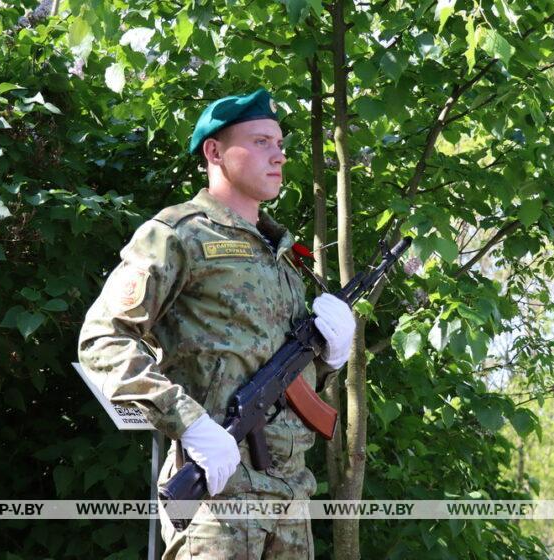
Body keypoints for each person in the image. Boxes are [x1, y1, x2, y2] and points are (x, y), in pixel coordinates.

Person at [78, 88, 355, 559]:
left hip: (291, 498)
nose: (279, 155)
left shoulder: (285, 258)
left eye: (280, 144)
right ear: (215, 151)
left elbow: (284, 377)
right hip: (218, 498)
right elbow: (102, 340)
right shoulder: (177, 235)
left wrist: (331, 357)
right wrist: (189, 424)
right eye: (262, 142)